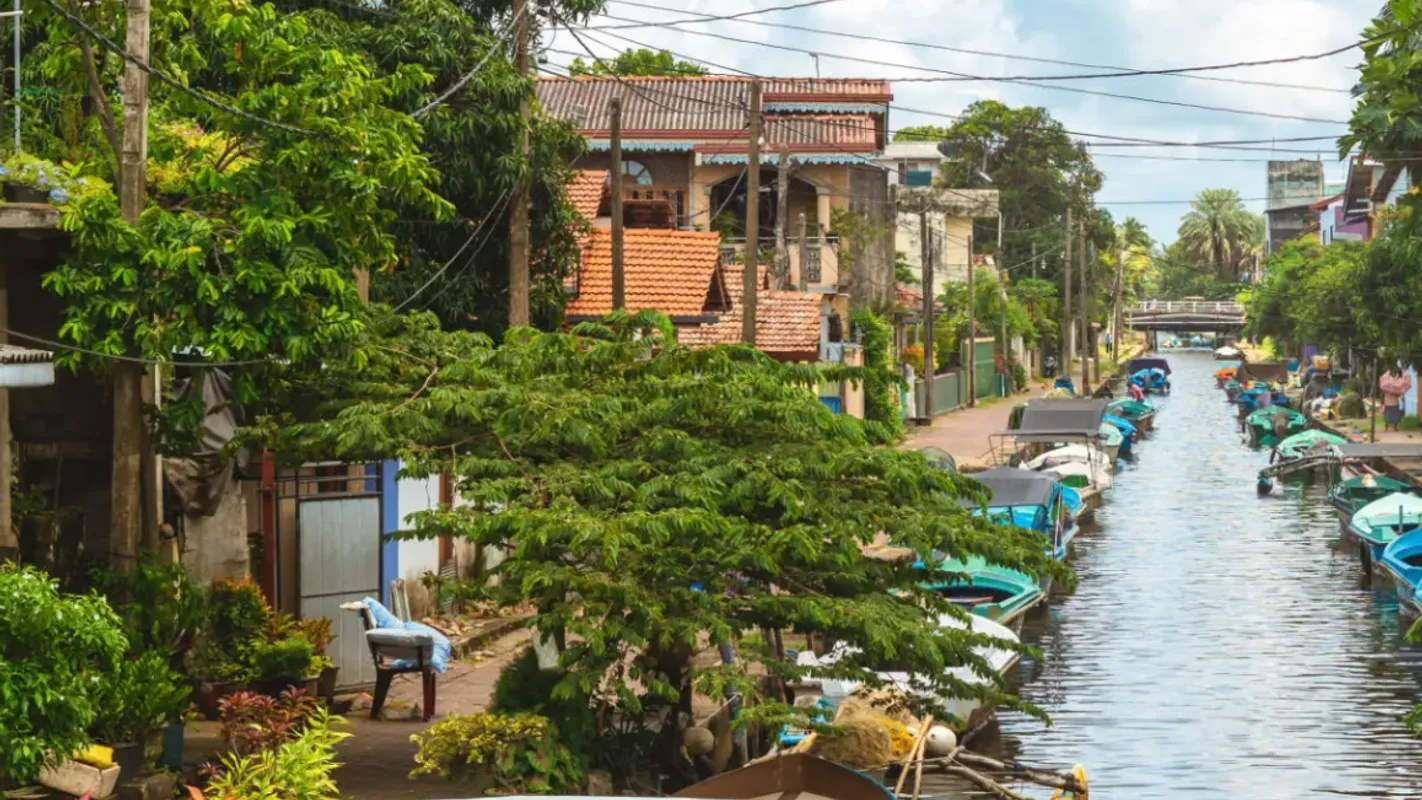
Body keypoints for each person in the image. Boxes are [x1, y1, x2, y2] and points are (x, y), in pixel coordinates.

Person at [1380, 366, 1413, 432]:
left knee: (1395, 416)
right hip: (1388, 402)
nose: (1395, 374)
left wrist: (1396, 392)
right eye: (1394, 373)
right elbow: (1383, 392)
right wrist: (1382, 402)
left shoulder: (1399, 381)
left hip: (1394, 402)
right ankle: (1386, 428)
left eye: (1396, 373)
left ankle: (1395, 428)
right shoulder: (1387, 381)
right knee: (1387, 416)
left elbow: (1399, 393)